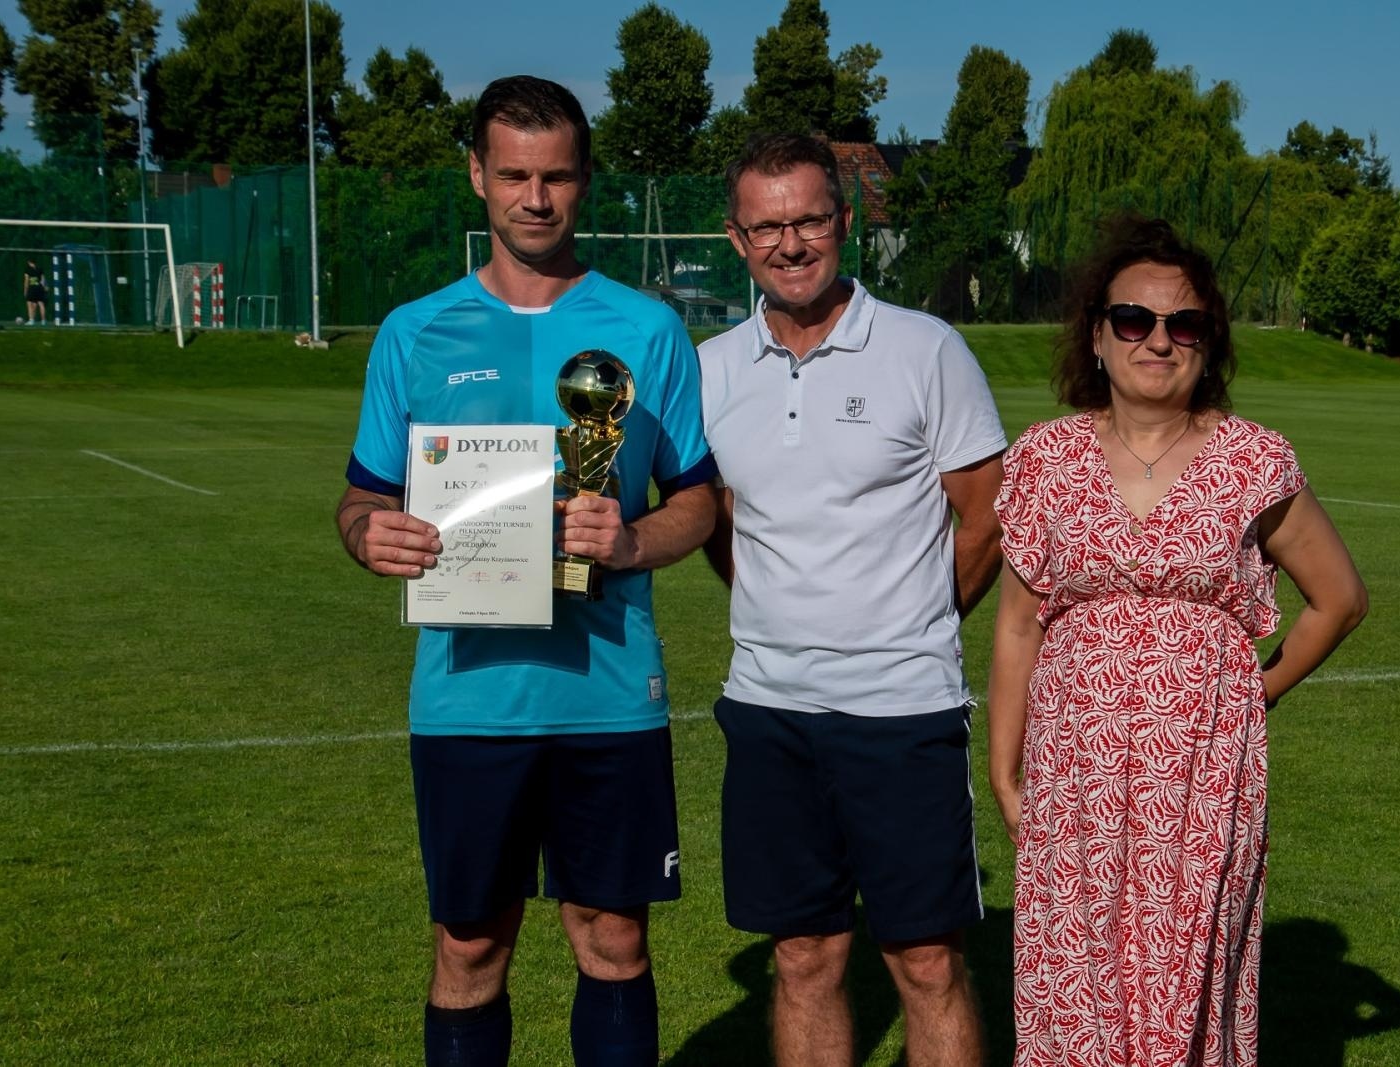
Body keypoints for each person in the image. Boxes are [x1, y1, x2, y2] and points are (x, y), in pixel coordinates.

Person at [335, 75, 716, 1067]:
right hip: (467, 695)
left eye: (555, 177)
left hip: (608, 692)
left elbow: (701, 499)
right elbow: (363, 495)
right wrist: (371, 534)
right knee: (469, 944)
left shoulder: (649, 330)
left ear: (585, 182)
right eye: (513, 174)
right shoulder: (415, 332)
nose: (534, 199)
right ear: (476, 175)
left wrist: (632, 540)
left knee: (614, 938)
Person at [987, 215, 1368, 1066]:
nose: (1158, 340)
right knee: (1074, 974)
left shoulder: (1252, 460)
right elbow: (1017, 623)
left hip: (1201, 773)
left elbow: (1338, 599)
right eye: (1134, 319)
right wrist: (1003, 768)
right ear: (1097, 334)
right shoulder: (1044, 458)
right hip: (1073, 769)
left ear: (1209, 343)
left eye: (1183, 324)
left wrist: (1253, 691)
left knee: (1185, 962)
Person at [698, 132, 1008, 1067]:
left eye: (808, 221)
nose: (790, 244)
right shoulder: (710, 367)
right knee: (802, 956)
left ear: (842, 222)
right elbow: (718, 522)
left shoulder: (926, 349)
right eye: (767, 226)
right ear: (735, 237)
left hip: (901, 708)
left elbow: (987, 517)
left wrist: (907, 621)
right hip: (767, 709)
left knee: (925, 960)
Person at [24, 260, 48, 324]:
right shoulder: (40, 269)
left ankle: (31, 320)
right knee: (40, 304)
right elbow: (43, 280)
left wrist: (25, 290)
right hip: (39, 288)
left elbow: (26, 281)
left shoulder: (28, 270)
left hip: (32, 288)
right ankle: (43, 320)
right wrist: (44, 287)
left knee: (29, 304)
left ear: (29, 262)